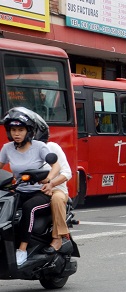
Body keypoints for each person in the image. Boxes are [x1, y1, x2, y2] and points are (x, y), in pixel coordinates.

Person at [0, 108, 60, 266]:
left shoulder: (39, 147)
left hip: (39, 192)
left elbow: (56, 166)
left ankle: (22, 250)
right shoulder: (7, 148)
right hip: (18, 191)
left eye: (20, 130)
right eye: (13, 130)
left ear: (29, 131)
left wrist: (48, 179)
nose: (16, 133)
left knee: (28, 208)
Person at [28, 110, 73, 254]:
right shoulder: (25, 151)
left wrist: (51, 184)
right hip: (33, 190)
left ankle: (58, 237)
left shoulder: (52, 147)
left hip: (56, 189)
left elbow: (67, 173)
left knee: (57, 199)